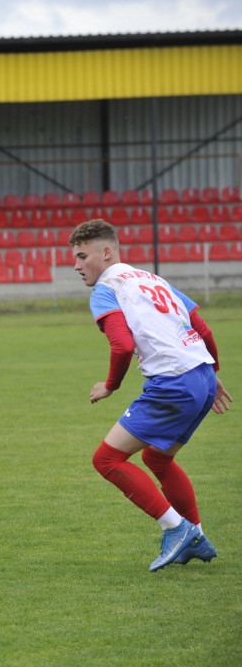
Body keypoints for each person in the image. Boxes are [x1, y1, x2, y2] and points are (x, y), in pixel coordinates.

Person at [68, 219, 231, 572]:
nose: (76, 265)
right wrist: (212, 373)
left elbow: (123, 344)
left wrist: (110, 385)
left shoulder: (107, 288)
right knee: (158, 459)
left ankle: (176, 529)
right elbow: (202, 328)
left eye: (82, 256)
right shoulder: (153, 279)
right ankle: (196, 536)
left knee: (106, 460)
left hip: (174, 382)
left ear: (106, 252)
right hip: (200, 376)